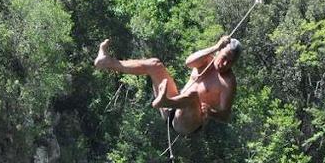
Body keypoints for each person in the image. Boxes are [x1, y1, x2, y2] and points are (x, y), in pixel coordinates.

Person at [93, 36, 241, 135]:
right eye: (224, 57)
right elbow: (188, 62)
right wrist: (214, 47)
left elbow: (225, 115)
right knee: (154, 64)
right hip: (173, 107)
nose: (225, 64)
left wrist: (211, 112)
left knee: (194, 95)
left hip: (186, 122)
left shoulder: (228, 82)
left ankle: (165, 101)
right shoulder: (206, 59)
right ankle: (106, 61)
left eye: (231, 62)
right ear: (220, 51)